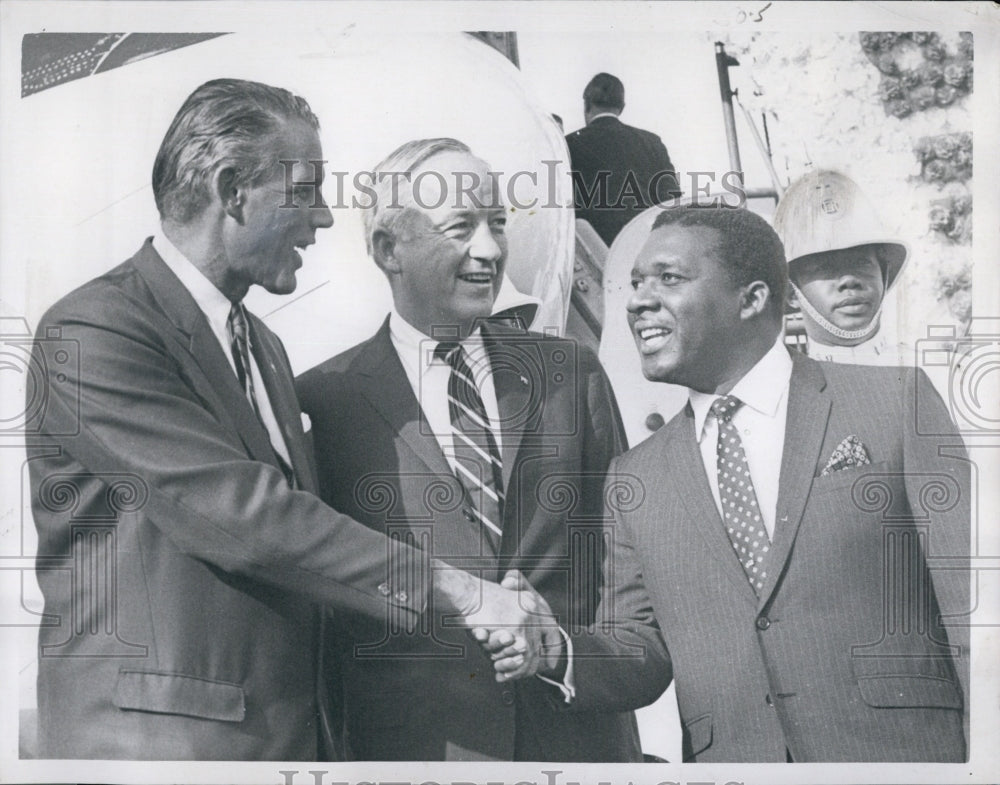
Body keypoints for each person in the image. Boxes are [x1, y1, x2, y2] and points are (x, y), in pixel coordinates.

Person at [26, 80, 540, 761]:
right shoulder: (95, 330)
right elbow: (246, 517)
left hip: (284, 743)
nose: (323, 218)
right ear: (232, 190)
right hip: (161, 750)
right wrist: (464, 592)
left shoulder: (262, 347)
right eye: (305, 191)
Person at [493, 205, 970, 762]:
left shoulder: (895, 403)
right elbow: (639, 648)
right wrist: (555, 648)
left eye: (669, 278)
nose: (638, 301)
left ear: (752, 298)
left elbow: (975, 609)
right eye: (637, 283)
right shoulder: (634, 477)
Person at [295, 138, 641, 762]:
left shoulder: (571, 373)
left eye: (497, 223)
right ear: (388, 250)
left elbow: (626, 572)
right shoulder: (325, 401)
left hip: (579, 745)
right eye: (461, 227)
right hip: (422, 756)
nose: (490, 249)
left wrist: (568, 656)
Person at [772, 169, 910, 365]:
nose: (849, 280)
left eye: (862, 263)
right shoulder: (782, 382)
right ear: (791, 293)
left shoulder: (935, 374)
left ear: (884, 274)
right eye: (825, 268)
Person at [565, 72, 681, 247]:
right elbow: (671, 200)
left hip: (594, 249)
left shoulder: (569, 144)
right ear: (622, 107)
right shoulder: (652, 142)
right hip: (642, 245)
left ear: (587, 104)